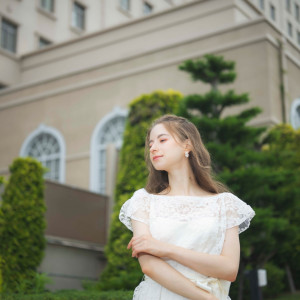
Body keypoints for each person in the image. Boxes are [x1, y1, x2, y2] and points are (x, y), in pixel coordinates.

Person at [119, 114, 255, 300]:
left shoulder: (225, 204)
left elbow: (229, 269)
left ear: (187, 144)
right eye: (150, 143)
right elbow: (149, 266)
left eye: (162, 140)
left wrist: (165, 249)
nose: (153, 148)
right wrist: (207, 299)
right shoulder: (143, 201)